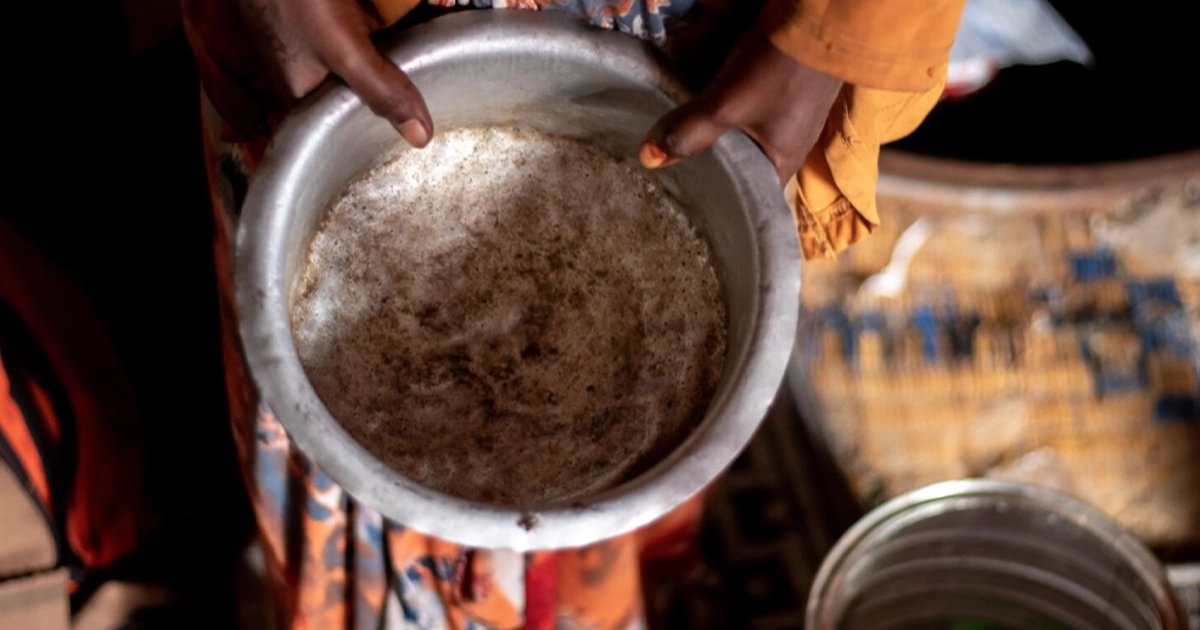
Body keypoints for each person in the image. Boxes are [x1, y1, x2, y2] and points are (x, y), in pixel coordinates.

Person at [179, 0, 967, 627]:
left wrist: (839, 30)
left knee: (634, 479)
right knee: (337, 457)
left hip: (714, 42)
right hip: (344, 39)